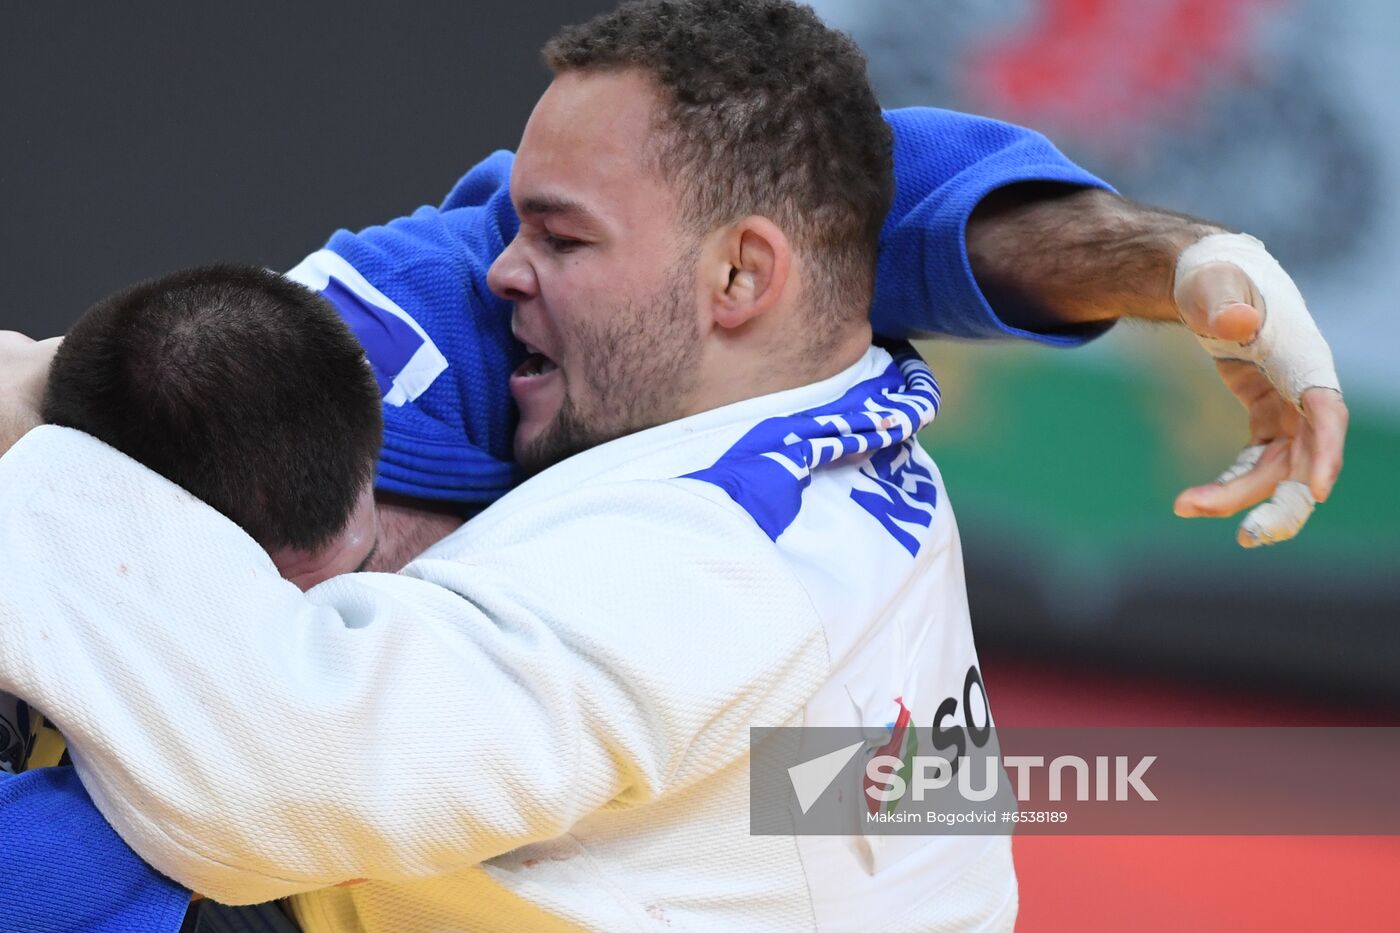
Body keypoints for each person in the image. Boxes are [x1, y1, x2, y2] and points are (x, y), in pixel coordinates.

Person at [0, 1, 1347, 929]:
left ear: (740, 276)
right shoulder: (782, 362)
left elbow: (274, 772)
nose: (506, 262)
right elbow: (887, 190)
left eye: (562, 237)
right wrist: (1175, 259)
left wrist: (40, 463)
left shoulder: (709, 570)